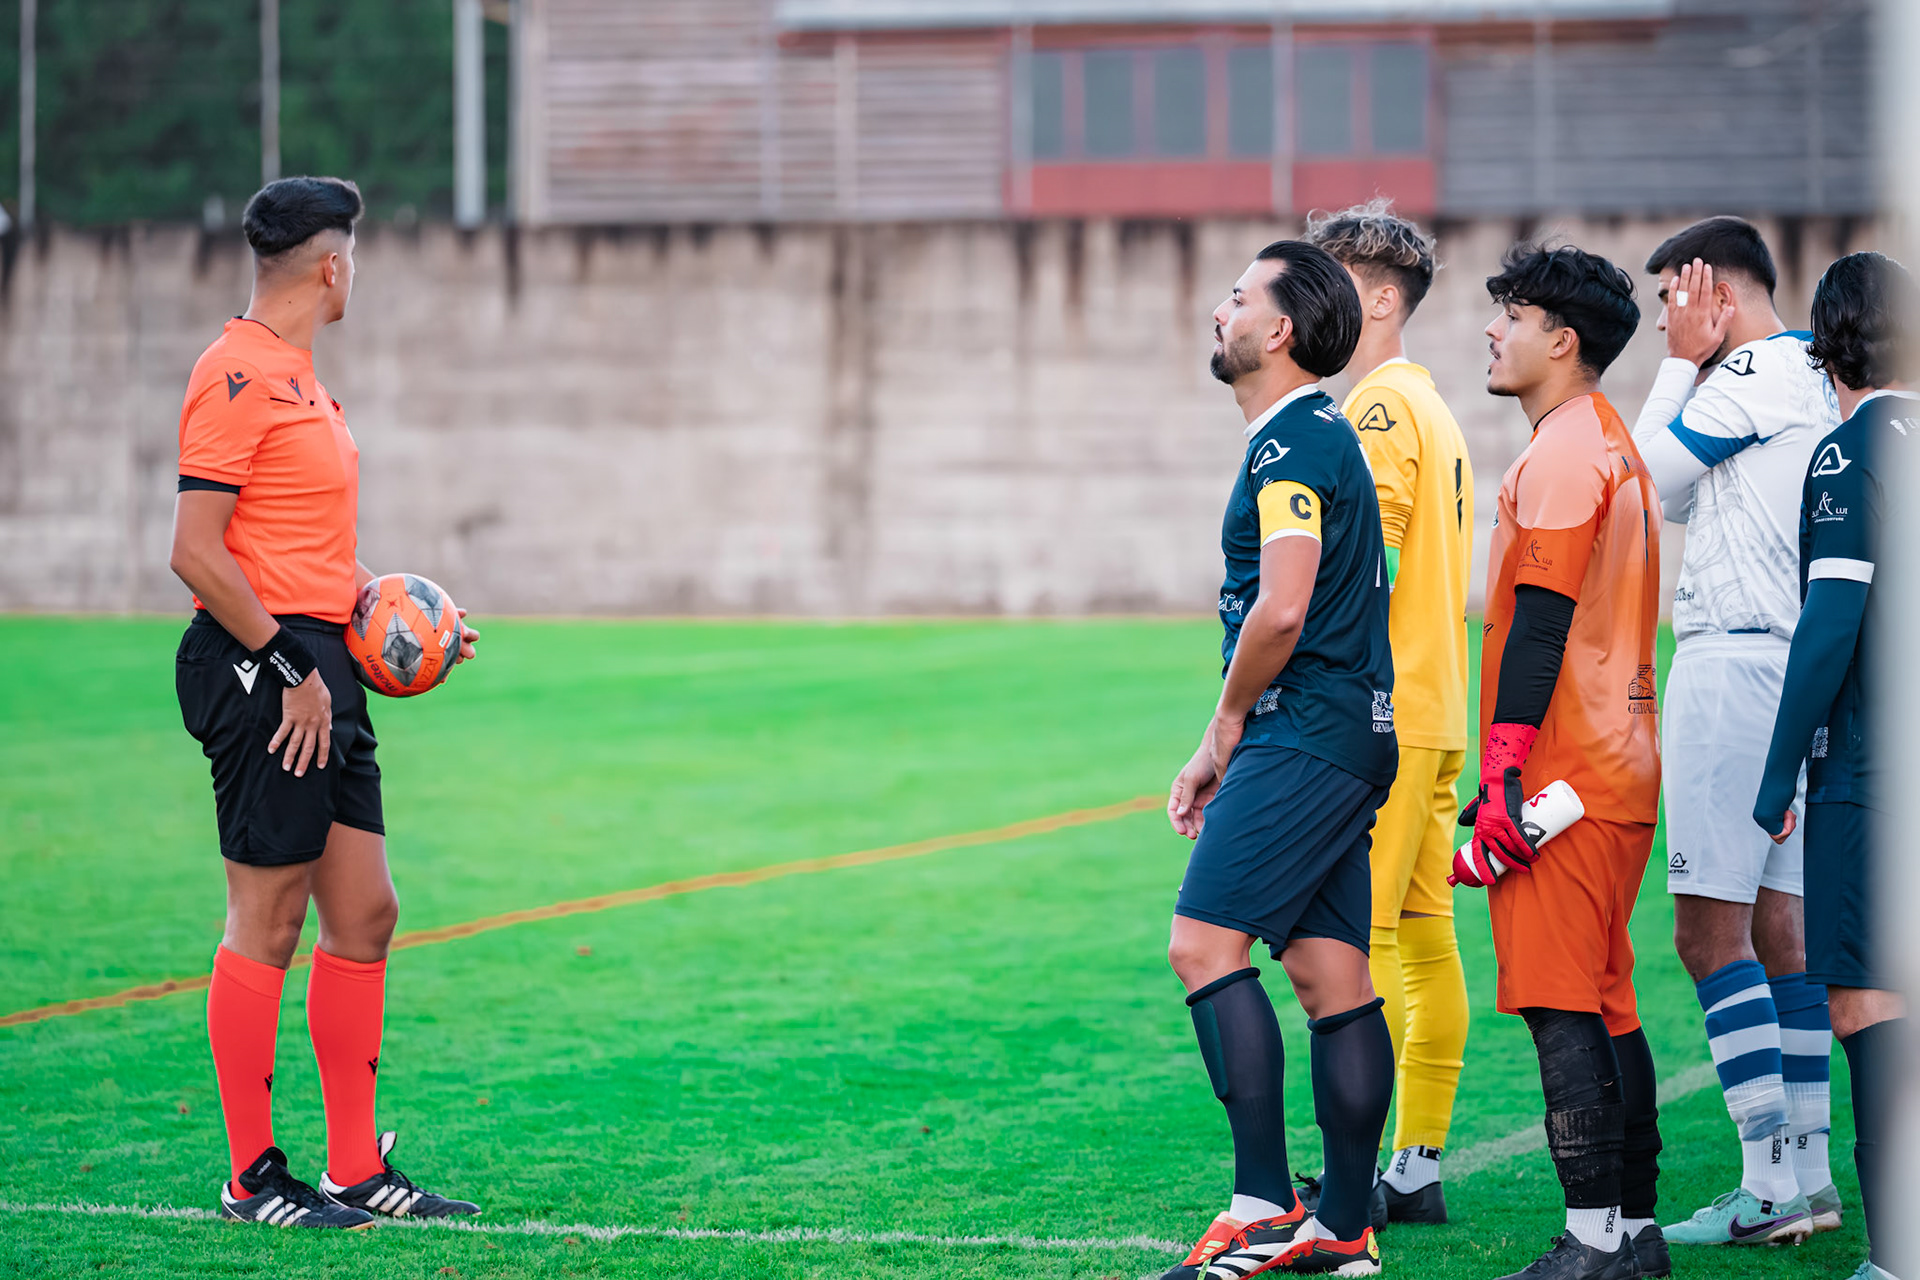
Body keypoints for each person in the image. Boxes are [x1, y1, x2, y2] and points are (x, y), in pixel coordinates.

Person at [169, 176, 481, 1228]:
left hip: (320, 661)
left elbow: (302, 552)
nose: (357, 272)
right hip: (262, 668)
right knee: (269, 917)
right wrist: (291, 666)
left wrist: (402, 617)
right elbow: (196, 555)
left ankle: (356, 1167)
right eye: (356, 256)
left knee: (366, 912)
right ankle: (250, 1173)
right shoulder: (237, 372)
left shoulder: (307, 381)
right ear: (329, 265)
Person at [1158, 240, 1397, 1279]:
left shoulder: (1288, 443)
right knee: (1328, 971)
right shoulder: (1313, 433)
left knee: (1204, 945)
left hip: (1303, 727)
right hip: (1354, 731)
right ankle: (1342, 1222)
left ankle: (1261, 1203)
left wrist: (1223, 728)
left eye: (1238, 296)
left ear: (1281, 330)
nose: (1220, 311)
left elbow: (1284, 603)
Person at [1627, 217, 1838, 1246]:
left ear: (1708, 287)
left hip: (1732, 664)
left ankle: (1765, 1186)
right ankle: (1810, 1171)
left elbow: (1638, 486)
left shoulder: (1744, 371)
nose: (1663, 315)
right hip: (1795, 664)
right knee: (1781, 932)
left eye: (1670, 293)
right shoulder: (1810, 369)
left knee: (1708, 932)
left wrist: (1675, 368)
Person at [1463, 244, 1665, 1280]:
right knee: (1607, 993)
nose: (1494, 329)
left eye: (1514, 313)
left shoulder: (1559, 455)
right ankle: (1634, 1231)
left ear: (1563, 339)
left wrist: (1500, 772)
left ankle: (1592, 1241)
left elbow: (1538, 629)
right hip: (1621, 762)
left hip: (1566, 772)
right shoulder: (1611, 441)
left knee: (1559, 999)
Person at [1306, 201, 1474, 1226]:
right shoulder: (1432, 402)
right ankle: (1412, 1163)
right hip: (1440, 706)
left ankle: (1352, 1180)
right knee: (1422, 932)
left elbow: (1376, 561)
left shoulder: (1374, 407)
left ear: (1375, 296)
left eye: (1325, 284)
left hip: (1389, 713)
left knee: (1355, 946)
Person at [1754, 250, 1916, 1280]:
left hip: (1873, 769)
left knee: (1867, 1000)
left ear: (1827, 343)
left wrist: (1776, 778)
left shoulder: (1850, 452)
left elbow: (1828, 627)